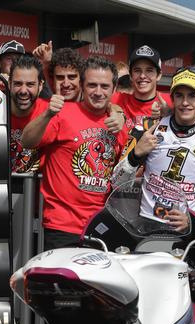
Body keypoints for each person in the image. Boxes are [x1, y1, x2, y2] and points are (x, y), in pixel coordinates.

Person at [113, 66, 195, 229]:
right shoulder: (145, 128)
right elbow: (116, 183)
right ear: (172, 97)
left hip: (186, 235)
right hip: (144, 228)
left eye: (192, 95)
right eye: (179, 95)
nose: (185, 102)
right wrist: (135, 155)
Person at [21, 56, 128, 248]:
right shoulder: (62, 113)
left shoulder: (118, 123)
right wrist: (47, 114)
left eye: (104, 86)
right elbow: (27, 141)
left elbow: (124, 175)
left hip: (102, 225)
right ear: (82, 86)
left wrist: (120, 115)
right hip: (62, 227)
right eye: (92, 85)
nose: (97, 92)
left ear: (113, 88)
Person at [112, 45, 173, 131]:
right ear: (130, 75)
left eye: (149, 70)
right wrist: (117, 110)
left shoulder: (170, 101)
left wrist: (171, 113)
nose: (142, 76)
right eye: (137, 70)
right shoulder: (118, 99)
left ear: (159, 75)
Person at [9, 55, 49, 173]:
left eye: (30, 84)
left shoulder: (51, 111)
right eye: (17, 84)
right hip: (1, 188)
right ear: (9, 83)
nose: (23, 91)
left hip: (35, 188)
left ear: (40, 86)